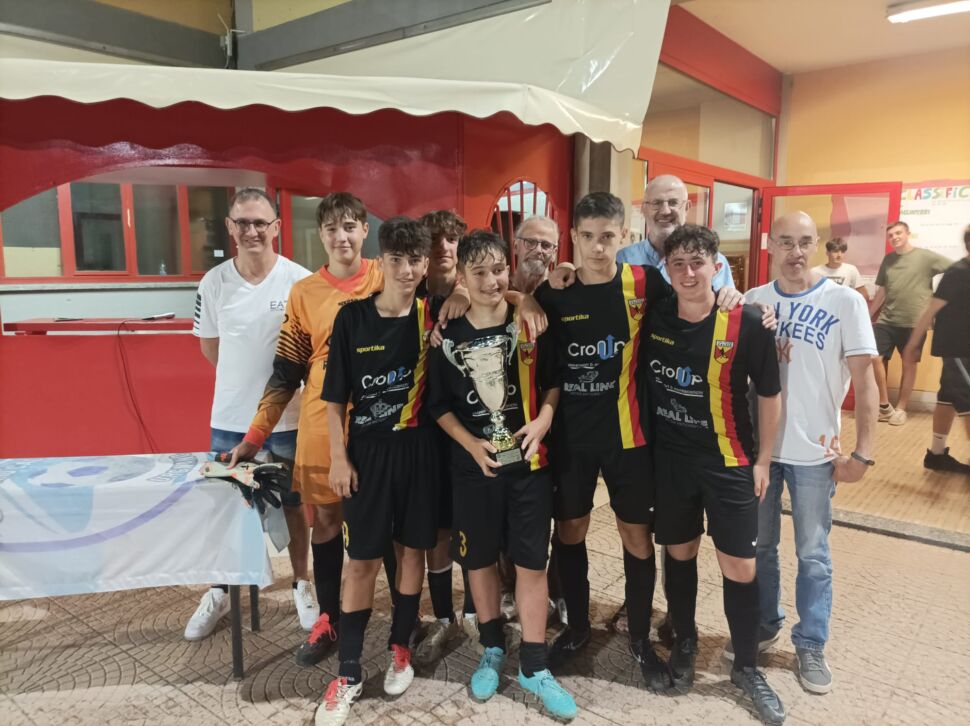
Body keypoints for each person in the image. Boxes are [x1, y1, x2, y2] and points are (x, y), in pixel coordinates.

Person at [534, 192, 744, 690]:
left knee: (635, 536)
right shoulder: (555, 292)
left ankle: (639, 639)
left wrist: (735, 298)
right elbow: (523, 307)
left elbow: (696, 303)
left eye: (608, 236)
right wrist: (527, 295)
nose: (598, 247)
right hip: (571, 440)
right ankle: (578, 628)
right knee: (570, 531)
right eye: (588, 237)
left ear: (623, 236)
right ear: (573, 238)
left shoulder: (646, 282)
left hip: (630, 438)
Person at [428, 229, 578, 720]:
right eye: (479, 273)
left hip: (529, 467)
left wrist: (544, 419)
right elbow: (438, 405)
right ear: (462, 277)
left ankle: (534, 664)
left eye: (498, 271)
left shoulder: (529, 320)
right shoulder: (448, 334)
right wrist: (471, 444)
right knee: (479, 561)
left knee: (532, 563)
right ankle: (492, 647)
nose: (491, 281)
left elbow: (554, 381)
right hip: (474, 469)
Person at [229, 193, 384, 667]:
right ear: (320, 235)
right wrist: (254, 437)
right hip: (321, 425)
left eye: (350, 226)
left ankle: (401, 622)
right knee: (328, 522)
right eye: (332, 228)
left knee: (388, 523)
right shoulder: (305, 294)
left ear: (364, 230)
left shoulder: (385, 276)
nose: (342, 237)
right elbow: (285, 374)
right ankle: (329, 619)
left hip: (381, 421)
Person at [645, 224, 785, 724]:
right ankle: (685, 640)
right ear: (666, 269)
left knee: (740, 567)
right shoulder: (655, 315)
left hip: (730, 462)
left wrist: (763, 460)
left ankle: (746, 667)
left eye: (697, 263)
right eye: (677, 264)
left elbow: (769, 394)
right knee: (679, 553)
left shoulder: (747, 321)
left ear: (716, 266)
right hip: (672, 464)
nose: (688, 273)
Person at [743, 211, 878, 696]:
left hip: (817, 454)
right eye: (785, 242)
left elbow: (865, 381)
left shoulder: (844, 301)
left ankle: (811, 642)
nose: (795, 252)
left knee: (813, 554)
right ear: (770, 246)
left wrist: (863, 453)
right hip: (762, 451)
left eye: (804, 242)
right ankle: (765, 623)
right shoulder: (754, 300)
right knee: (760, 547)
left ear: (816, 244)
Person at [315, 217, 438, 725]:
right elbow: (333, 400)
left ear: (426, 264)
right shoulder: (352, 318)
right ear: (380, 261)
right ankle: (348, 672)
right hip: (366, 456)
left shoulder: (434, 315)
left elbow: (494, 300)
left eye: (415, 261)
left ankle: (400, 649)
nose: (407, 270)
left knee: (411, 553)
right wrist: (338, 457)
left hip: (420, 452)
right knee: (361, 560)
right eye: (397, 260)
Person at [187, 187, 316, 641]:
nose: (252, 231)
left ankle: (302, 584)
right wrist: (243, 390)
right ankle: (219, 591)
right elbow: (211, 347)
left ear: (277, 227)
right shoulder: (213, 283)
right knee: (225, 508)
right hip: (229, 420)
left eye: (260, 222)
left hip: (289, 419)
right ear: (230, 227)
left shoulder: (300, 281)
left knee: (294, 505)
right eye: (242, 222)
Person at [870, 221, 953, 426]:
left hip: (915, 322)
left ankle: (901, 409)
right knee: (875, 358)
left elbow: (954, 270)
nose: (895, 237)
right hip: (886, 320)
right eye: (891, 235)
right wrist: (869, 314)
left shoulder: (925, 257)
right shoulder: (888, 260)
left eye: (898, 233)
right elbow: (882, 290)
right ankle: (884, 405)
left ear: (907, 233)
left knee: (909, 364)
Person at [902, 225, 970, 474]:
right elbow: (930, 310)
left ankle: (936, 455)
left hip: (963, 349)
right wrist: (912, 344)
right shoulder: (957, 272)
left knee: (947, 398)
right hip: (957, 349)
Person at [616, 174, 735, 290]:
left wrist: (732, 297)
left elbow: (725, 302)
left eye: (673, 202)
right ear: (644, 209)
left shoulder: (714, 261)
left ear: (687, 207)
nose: (665, 211)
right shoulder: (623, 259)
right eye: (656, 203)